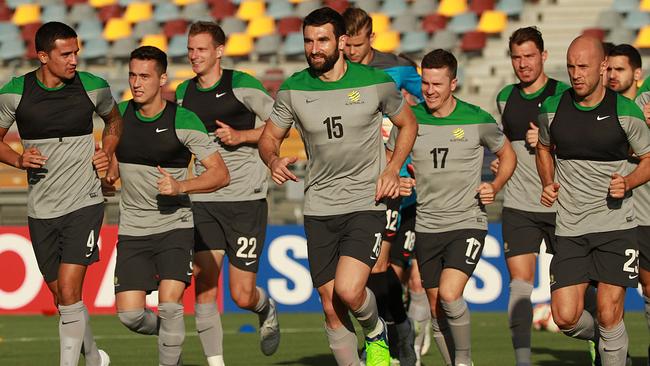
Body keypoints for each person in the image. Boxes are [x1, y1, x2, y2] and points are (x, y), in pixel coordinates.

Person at [258, 7, 417, 366]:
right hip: (318, 207)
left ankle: (377, 333)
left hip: (366, 202)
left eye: (323, 40)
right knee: (331, 306)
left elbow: (408, 124)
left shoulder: (375, 82)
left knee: (349, 290)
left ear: (342, 42)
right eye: (309, 41)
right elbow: (269, 137)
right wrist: (272, 159)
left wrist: (392, 168)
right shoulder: (294, 88)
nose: (314, 48)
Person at [0, 21, 121, 366]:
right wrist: (20, 159)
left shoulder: (93, 87)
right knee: (61, 296)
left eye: (76, 52)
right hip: (41, 209)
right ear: (42, 56)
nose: (74, 60)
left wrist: (107, 150)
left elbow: (114, 121)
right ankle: (95, 357)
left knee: (70, 292)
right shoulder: (15, 92)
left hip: (85, 203)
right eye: (65, 54)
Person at [388, 48, 516, 366]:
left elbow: (508, 155)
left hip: (466, 223)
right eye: (426, 84)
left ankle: (464, 361)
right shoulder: (411, 120)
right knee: (435, 310)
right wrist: (398, 180)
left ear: (453, 84)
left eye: (438, 84)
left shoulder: (476, 119)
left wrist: (494, 185)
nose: (430, 91)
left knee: (449, 294)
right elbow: (388, 161)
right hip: (427, 227)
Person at [104, 46, 229, 366]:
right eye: (132, 74)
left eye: (144, 76)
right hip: (133, 230)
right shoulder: (117, 117)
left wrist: (181, 186)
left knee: (171, 306)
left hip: (175, 226)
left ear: (162, 79)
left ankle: (170, 353)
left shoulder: (184, 119)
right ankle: (172, 336)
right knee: (130, 316)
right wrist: (107, 173)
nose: (136, 82)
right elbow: (110, 162)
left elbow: (220, 174)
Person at [536, 35, 650, 366]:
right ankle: (611, 345)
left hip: (616, 227)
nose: (576, 74)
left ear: (602, 67)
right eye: (571, 67)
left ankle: (612, 348)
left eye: (583, 66)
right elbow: (543, 147)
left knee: (609, 311)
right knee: (565, 317)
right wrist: (548, 181)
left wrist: (627, 182)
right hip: (571, 229)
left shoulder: (626, 111)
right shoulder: (552, 108)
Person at [175, 21, 279, 365]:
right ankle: (215, 362)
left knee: (242, 294)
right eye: (190, 49)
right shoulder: (183, 94)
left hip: (246, 200)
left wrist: (242, 136)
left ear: (219, 51)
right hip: (204, 201)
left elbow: (281, 123)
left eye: (201, 49)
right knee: (204, 283)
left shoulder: (242, 84)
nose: (194, 56)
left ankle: (265, 307)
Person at [342, 7, 421, 365]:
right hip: (353, 180)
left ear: (371, 39)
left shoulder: (399, 69)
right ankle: (396, 327)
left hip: (391, 179)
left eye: (357, 45)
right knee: (371, 270)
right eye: (347, 44)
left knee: (377, 266)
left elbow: (432, 104)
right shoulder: (337, 71)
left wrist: (414, 157)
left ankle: (387, 336)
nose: (351, 52)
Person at [493, 27, 570, 366]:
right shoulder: (504, 97)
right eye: (516, 57)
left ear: (543, 57)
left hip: (561, 205)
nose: (523, 64)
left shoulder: (564, 96)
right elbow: (506, 147)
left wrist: (549, 139)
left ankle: (598, 342)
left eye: (529, 56)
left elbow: (584, 146)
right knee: (519, 286)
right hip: (519, 205)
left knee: (575, 290)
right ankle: (523, 361)